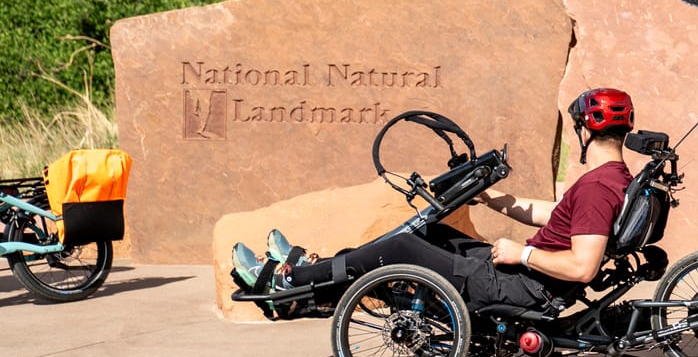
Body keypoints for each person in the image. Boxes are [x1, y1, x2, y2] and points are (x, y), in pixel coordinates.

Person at [231, 88, 637, 314]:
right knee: (431, 232)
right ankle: (314, 277)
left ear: (584, 131)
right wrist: (488, 196)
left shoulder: (596, 188)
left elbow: (583, 267)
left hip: (522, 287)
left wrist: (521, 256)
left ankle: (288, 282)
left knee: (400, 247)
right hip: (522, 278)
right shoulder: (611, 179)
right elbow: (551, 215)